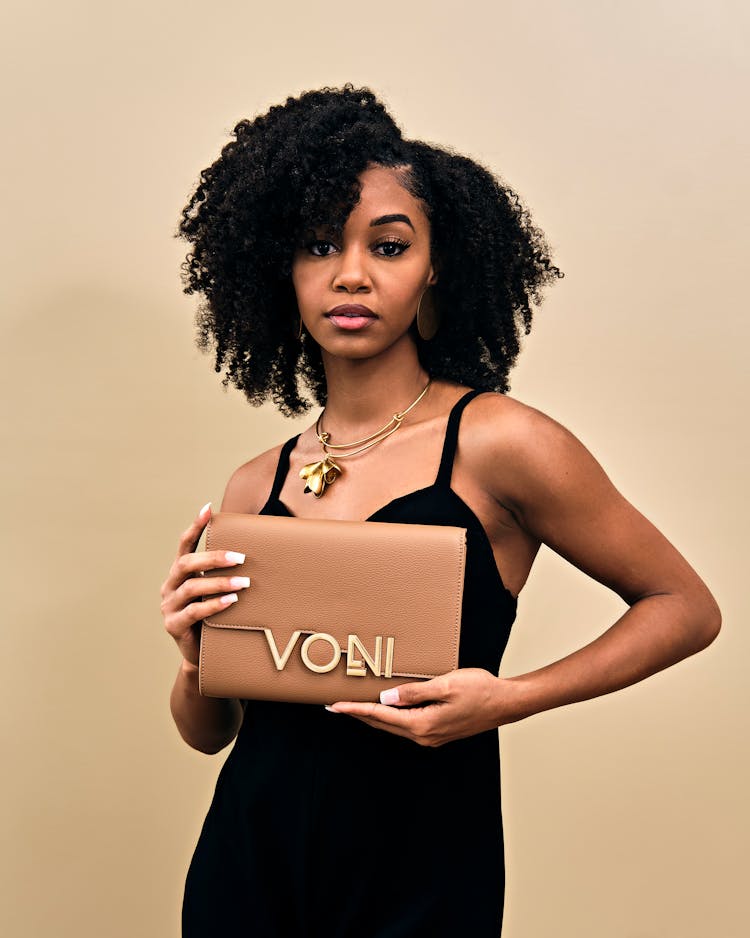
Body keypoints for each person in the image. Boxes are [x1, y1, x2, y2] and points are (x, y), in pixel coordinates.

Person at [160, 84, 721, 937]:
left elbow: (686, 608)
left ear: (433, 271)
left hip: (421, 869)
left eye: (388, 246)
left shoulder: (500, 443)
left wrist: (511, 697)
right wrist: (193, 656)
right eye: (319, 245)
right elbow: (211, 736)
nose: (352, 273)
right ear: (283, 269)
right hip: (249, 866)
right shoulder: (255, 484)